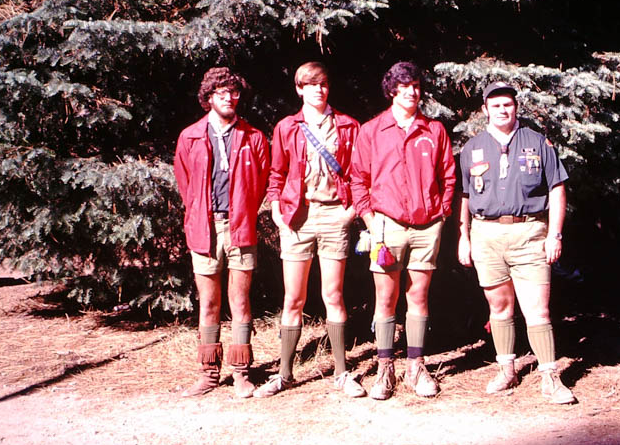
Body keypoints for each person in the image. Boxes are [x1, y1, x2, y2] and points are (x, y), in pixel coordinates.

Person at [456, 81, 576, 404]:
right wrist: (463, 237)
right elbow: (465, 197)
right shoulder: (472, 149)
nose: (502, 110)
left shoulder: (537, 143)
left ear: (516, 107)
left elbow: (557, 189)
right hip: (487, 236)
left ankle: (551, 378)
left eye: (507, 104)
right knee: (499, 307)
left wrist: (555, 233)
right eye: (495, 105)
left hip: (529, 234)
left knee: (537, 309)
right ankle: (506, 370)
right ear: (485, 110)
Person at [253, 62, 365, 399]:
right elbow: (276, 173)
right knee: (294, 298)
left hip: (335, 216)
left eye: (323, 84)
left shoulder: (347, 125)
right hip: (297, 217)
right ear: (299, 89)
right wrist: (275, 207)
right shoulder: (288, 127)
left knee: (333, 296)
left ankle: (343, 373)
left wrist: (349, 212)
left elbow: (360, 172)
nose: (318, 90)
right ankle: (284, 374)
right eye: (310, 84)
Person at [350, 61, 457, 400]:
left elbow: (448, 176)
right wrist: (369, 220)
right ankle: (385, 368)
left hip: (427, 226)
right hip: (386, 225)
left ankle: (416, 366)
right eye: (405, 85)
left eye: (416, 85)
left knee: (419, 296)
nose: (412, 91)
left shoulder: (434, 130)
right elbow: (358, 179)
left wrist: (441, 215)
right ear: (391, 90)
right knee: (386, 297)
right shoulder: (372, 130)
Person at [174, 67, 269, 398]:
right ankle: (208, 374)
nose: (229, 98)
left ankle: (241, 373)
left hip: (241, 226)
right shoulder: (190, 137)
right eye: (221, 92)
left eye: (234, 92)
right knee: (209, 303)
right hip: (204, 228)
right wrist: (203, 214)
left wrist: (242, 213)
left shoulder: (253, 137)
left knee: (240, 301)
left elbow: (259, 186)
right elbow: (186, 184)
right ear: (208, 98)